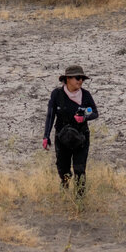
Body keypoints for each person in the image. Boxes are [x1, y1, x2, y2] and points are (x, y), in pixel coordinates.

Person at [42, 65, 100, 196]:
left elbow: (95, 113)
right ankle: (65, 190)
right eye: (77, 78)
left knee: (80, 169)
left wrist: (84, 116)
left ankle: (80, 199)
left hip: (81, 137)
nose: (80, 81)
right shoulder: (56, 94)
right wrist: (46, 136)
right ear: (67, 79)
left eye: (82, 79)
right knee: (63, 169)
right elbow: (50, 116)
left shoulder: (86, 95)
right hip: (61, 138)